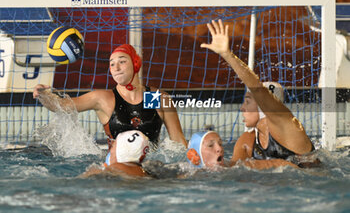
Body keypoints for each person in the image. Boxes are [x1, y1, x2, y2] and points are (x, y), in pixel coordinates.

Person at [200, 20, 316, 168]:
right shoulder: (247, 141)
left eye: (248, 101)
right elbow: (232, 171)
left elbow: (256, 88)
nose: (242, 108)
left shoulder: (289, 126)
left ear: (262, 106)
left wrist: (227, 55)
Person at [33, 44, 187, 149]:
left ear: (135, 64)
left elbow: (178, 141)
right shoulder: (104, 98)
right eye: (112, 64)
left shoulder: (155, 97)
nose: (116, 68)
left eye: (122, 61)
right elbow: (62, 105)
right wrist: (43, 95)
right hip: (116, 168)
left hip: (150, 167)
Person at [186, 130, 298, 170]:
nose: (219, 148)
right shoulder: (186, 176)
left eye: (220, 144)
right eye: (211, 146)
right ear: (195, 155)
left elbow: (279, 163)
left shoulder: (235, 167)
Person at [80, 130, 150, 178]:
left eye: (113, 146)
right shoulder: (145, 171)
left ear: (121, 151)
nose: (110, 149)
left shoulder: (116, 167)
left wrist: (92, 171)